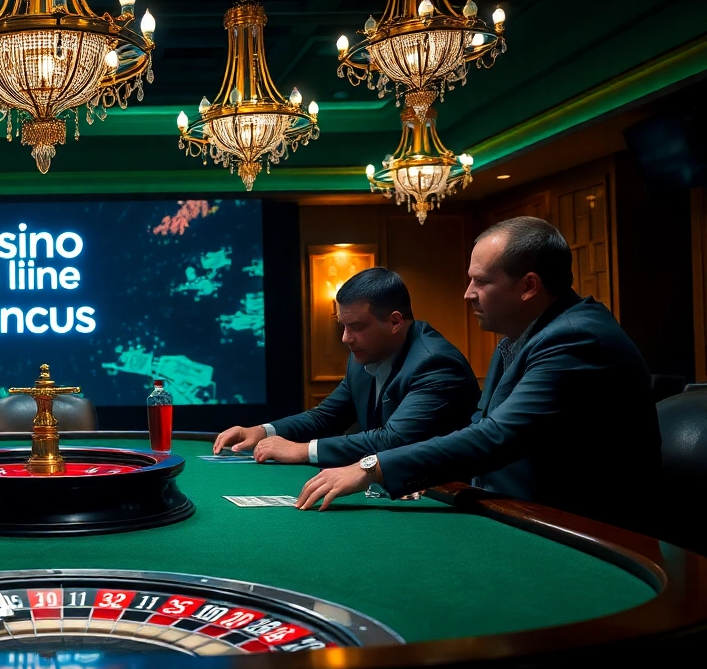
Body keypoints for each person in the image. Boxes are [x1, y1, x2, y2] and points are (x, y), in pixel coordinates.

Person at [296, 217, 658, 530]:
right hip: (514, 513)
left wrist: (371, 469)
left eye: (481, 282)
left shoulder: (576, 338)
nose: (468, 294)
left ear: (529, 286)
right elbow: (478, 427)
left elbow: (496, 437)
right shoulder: (522, 336)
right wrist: (430, 477)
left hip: (580, 533)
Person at [214, 267, 479, 467]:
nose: (345, 338)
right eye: (343, 326)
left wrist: (303, 450)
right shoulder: (364, 355)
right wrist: (262, 431)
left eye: (357, 327)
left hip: (445, 497)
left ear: (395, 321)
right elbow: (326, 416)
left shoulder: (435, 363)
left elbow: (393, 440)